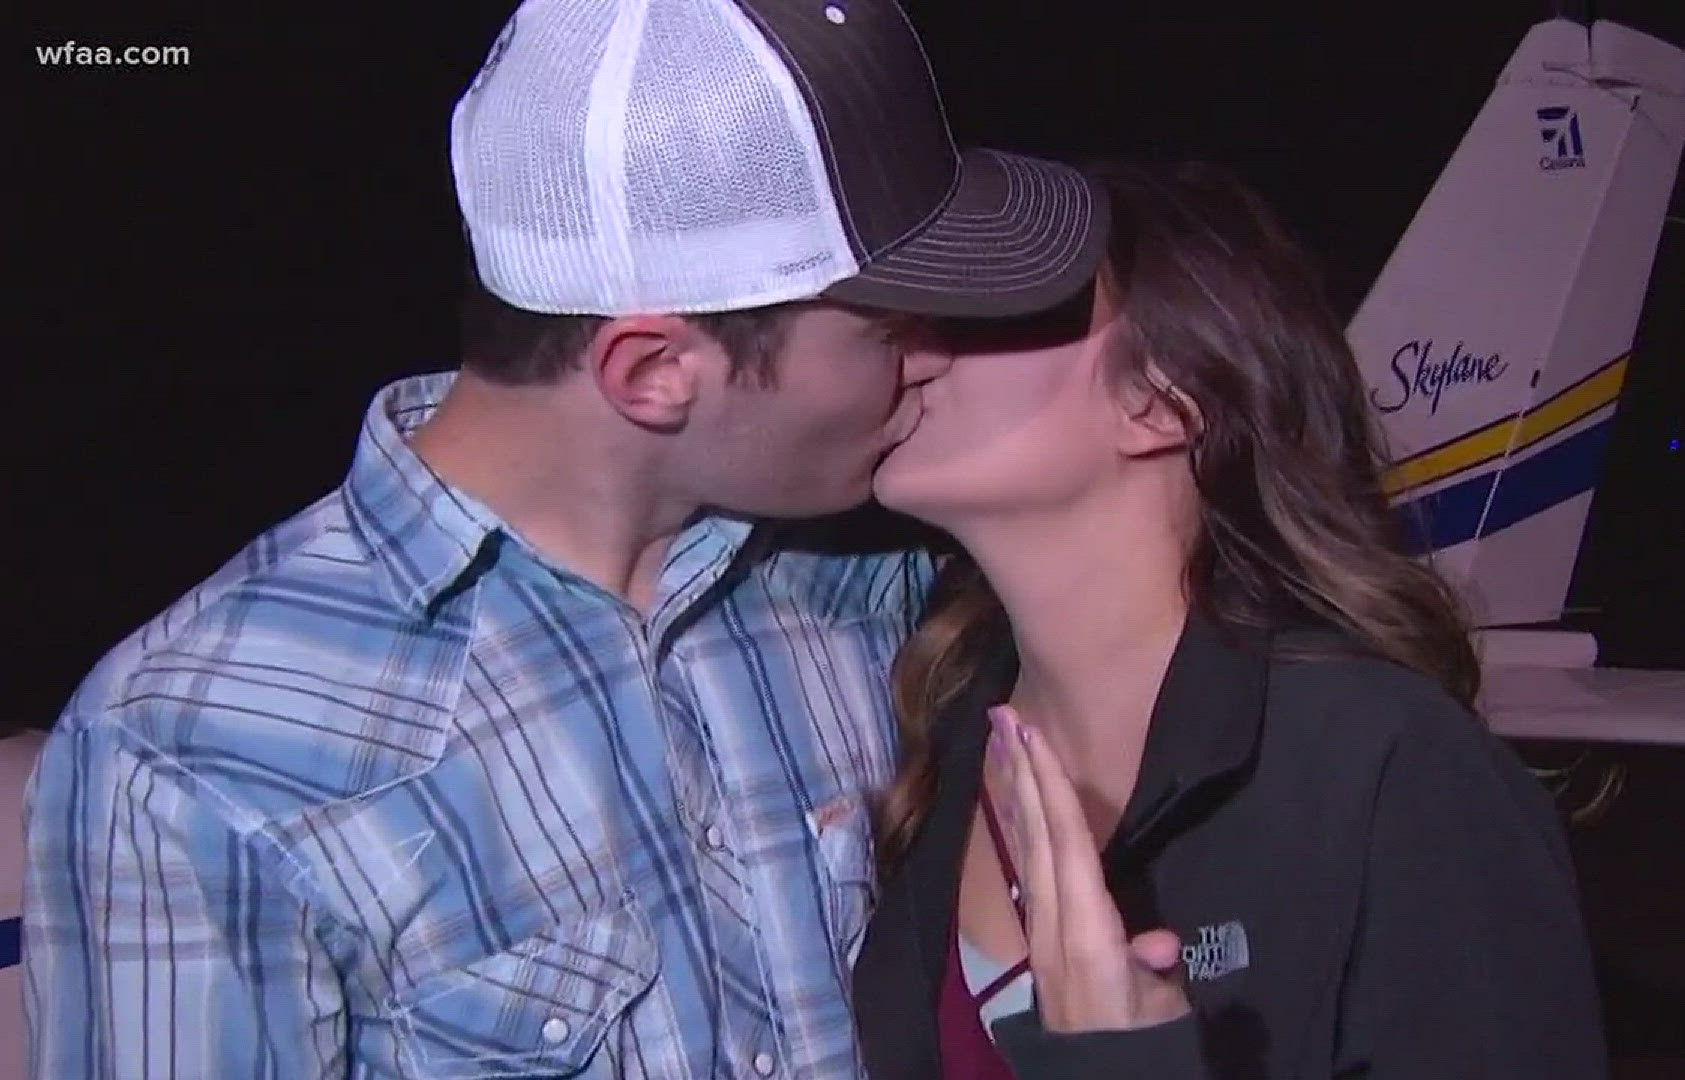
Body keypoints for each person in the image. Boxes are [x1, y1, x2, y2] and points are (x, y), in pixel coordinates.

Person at [21, 1, 1107, 1077]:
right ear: (655, 372)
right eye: (887, 327)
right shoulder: (192, 752)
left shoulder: (871, 580)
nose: (935, 357)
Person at [851, 160, 1608, 1079]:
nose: (915, 350)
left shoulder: (1391, 771)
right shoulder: (944, 741)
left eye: (992, 315)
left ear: (1166, 401)